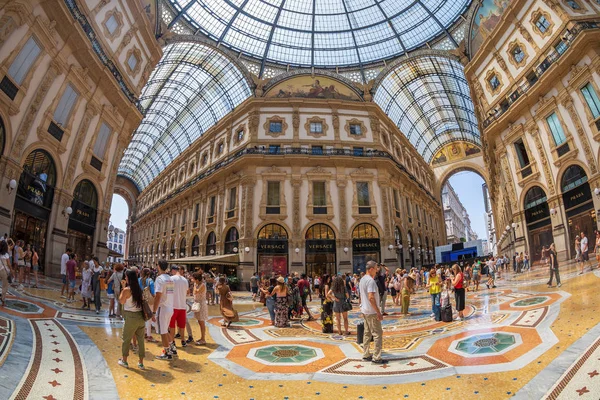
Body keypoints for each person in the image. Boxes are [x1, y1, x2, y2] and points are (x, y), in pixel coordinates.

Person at [118, 269, 146, 370]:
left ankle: (124, 360)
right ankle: (141, 362)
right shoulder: (139, 289)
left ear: (128, 278)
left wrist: (123, 287)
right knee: (141, 340)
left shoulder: (127, 290)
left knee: (126, 339)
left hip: (131, 317)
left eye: (126, 277)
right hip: (140, 317)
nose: (125, 278)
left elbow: (121, 301)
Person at [360, 261, 386, 364]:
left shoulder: (362, 279)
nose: (377, 270)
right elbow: (371, 297)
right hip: (371, 311)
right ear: (371, 269)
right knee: (377, 334)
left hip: (365, 310)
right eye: (376, 268)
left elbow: (361, 295)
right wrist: (378, 312)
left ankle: (366, 354)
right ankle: (377, 357)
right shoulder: (370, 281)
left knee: (367, 333)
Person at [153, 260, 175, 360]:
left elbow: (158, 295)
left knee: (162, 331)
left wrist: (153, 311)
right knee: (166, 330)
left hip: (163, 308)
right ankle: (172, 347)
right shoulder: (170, 279)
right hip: (170, 307)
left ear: (158, 266)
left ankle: (167, 353)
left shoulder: (159, 279)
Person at [169, 265, 189, 348]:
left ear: (173, 270)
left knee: (172, 325)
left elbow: (168, 292)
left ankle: (172, 341)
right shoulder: (185, 280)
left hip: (173, 305)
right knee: (181, 325)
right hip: (182, 305)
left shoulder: (171, 279)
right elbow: (188, 292)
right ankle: (183, 340)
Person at [140, 268, 156, 342]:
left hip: (141, 300)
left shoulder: (139, 280)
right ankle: (149, 335)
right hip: (149, 301)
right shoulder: (150, 281)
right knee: (149, 318)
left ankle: (143, 333)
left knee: (142, 317)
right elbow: (153, 292)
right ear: (149, 274)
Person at [191, 272, 208, 345]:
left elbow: (196, 292)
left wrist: (194, 286)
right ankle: (202, 338)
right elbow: (193, 292)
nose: (192, 280)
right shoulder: (197, 284)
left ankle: (203, 339)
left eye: (194, 279)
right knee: (199, 322)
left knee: (202, 322)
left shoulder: (202, 285)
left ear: (197, 279)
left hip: (201, 305)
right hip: (197, 304)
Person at [0, 240, 10, 306]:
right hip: (4, 271)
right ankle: (3, 300)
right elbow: (9, 264)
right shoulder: (6, 255)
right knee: (5, 285)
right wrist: (11, 270)